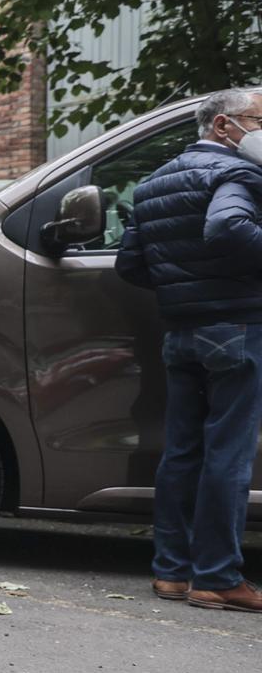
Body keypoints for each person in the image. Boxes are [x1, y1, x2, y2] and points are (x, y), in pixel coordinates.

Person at [117, 87, 262, 611]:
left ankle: (172, 573)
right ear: (224, 126)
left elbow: (130, 265)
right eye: (260, 119)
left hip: (180, 333)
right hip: (239, 329)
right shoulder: (238, 174)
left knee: (181, 453)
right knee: (228, 454)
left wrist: (184, 286)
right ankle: (218, 577)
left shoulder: (154, 183)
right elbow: (228, 227)